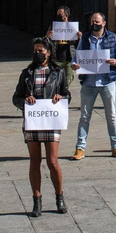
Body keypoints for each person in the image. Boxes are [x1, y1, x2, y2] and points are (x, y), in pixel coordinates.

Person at [14, 37, 70, 216]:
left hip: (51, 120)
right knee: (34, 160)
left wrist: (60, 98)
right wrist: (25, 101)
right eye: (35, 51)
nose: (38, 54)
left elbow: (66, 94)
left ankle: (59, 197)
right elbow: (16, 97)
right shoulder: (27, 73)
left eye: (41, 51)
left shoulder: (58, 72)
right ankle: (36, 200)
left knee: (52, 161)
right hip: (33, 120)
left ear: (49, 52)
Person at [70, 13, 116, 159]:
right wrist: (74, 65)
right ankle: (80, 148)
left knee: (112, 116)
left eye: (97, 20)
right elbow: (77, 56)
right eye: (93, 21)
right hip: (89, 82)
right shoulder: (85, 38)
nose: (95, 22)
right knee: (84, 116)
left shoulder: (113, 37)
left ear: (104, 23)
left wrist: (115, 62)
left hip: (107, 82)